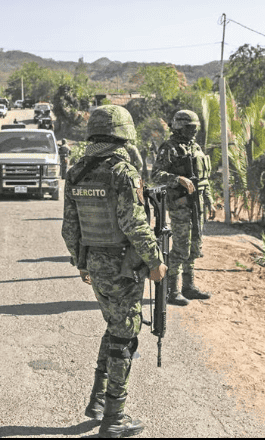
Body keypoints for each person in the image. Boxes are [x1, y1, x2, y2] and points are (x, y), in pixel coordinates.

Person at [62, 105, 167, 438]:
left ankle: (97, 401)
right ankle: (114, 418)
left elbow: (69, 228)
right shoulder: (123, 172)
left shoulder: (76, 172)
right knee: (124, 335)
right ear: (123, 133)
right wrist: (155, 260)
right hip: (123, 265)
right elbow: (134, 223)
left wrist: (81, 262)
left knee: (114, 325)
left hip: (95, 262)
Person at [151, 109, 215, 307]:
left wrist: (210, 200)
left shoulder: (195, 148)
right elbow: (156, 175)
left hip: (198, 204)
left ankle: (189, 286)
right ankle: (173, 290)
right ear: (179, 126)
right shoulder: (169, 148)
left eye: (195, 128)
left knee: (194, 245)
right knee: (180, 247)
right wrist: (177, 179)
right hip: (180, 206)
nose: (194, 131)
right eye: (190, 128)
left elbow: (204, 179)